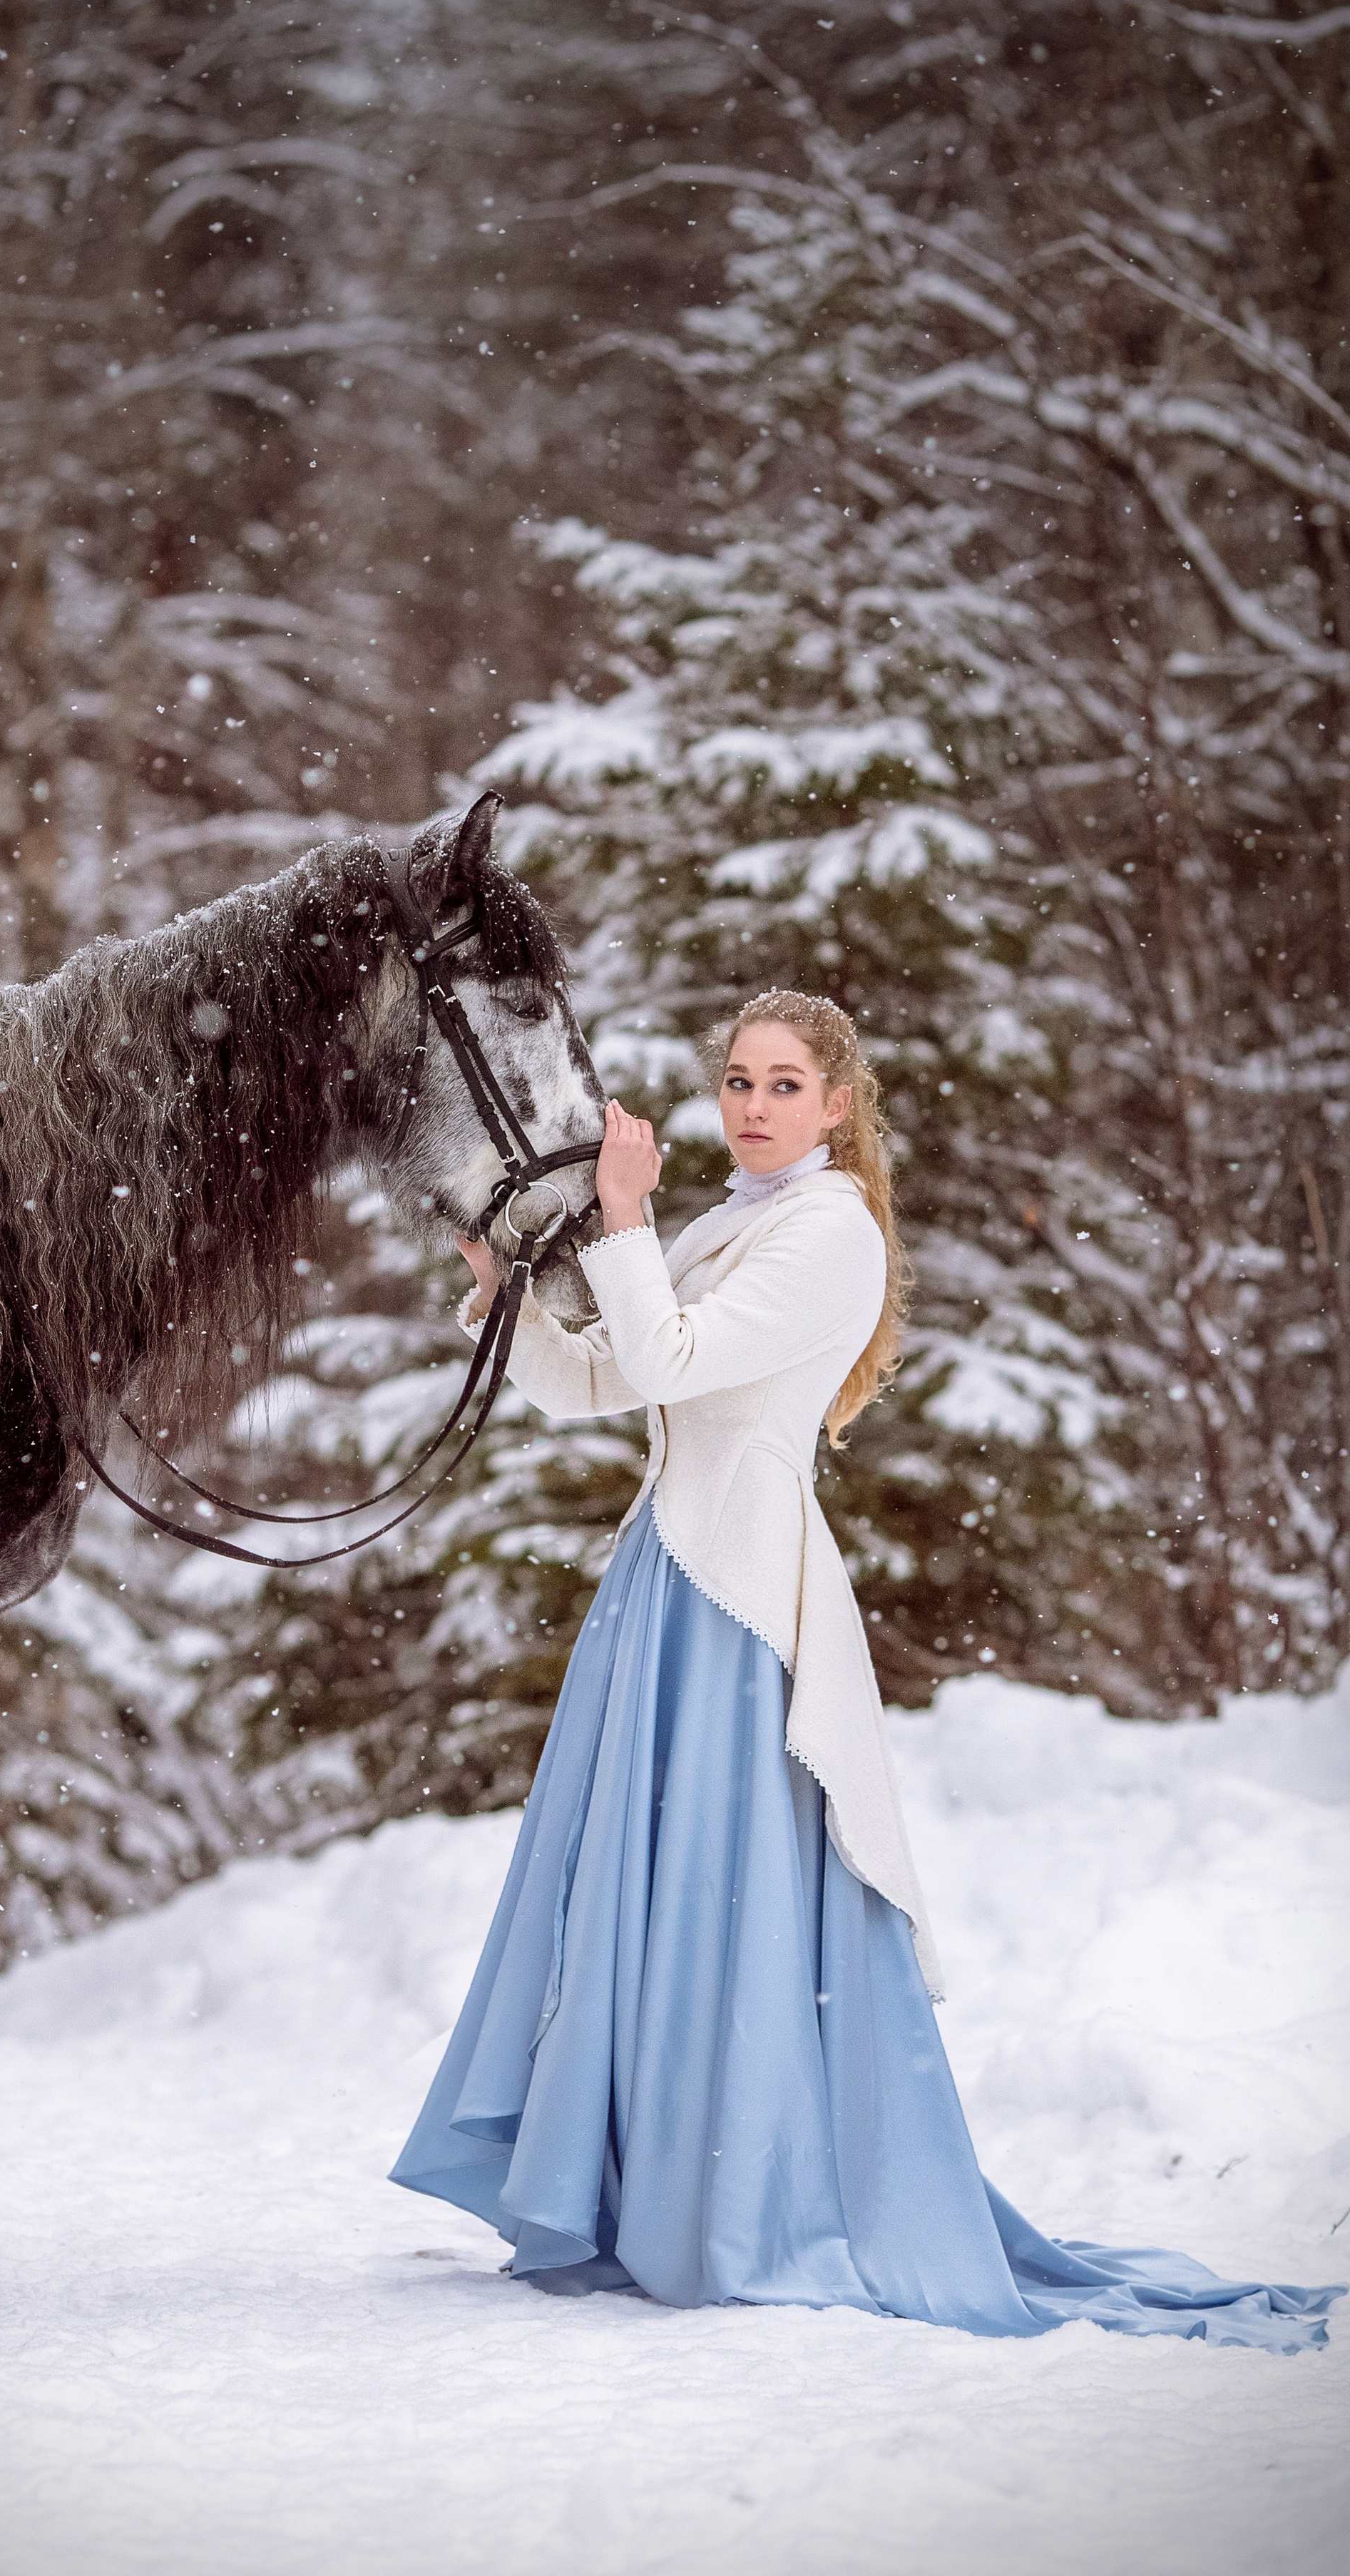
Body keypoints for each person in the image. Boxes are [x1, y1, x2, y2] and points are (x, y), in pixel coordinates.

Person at [391, 989, 1339, 2348]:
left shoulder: (831, 1234)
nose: (755, 1104)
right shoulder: (733, 1224)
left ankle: (730, 2203)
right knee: (643, 1886)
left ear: (839, 1104)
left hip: (739, 1593)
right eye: (738, 1080)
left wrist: (620, 1215)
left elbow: (664, 1349)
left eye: (785, 1083)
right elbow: (601, 1382)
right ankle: (653, 2187)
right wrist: (508, 1299)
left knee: (723, 1890)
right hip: (670, 1571)